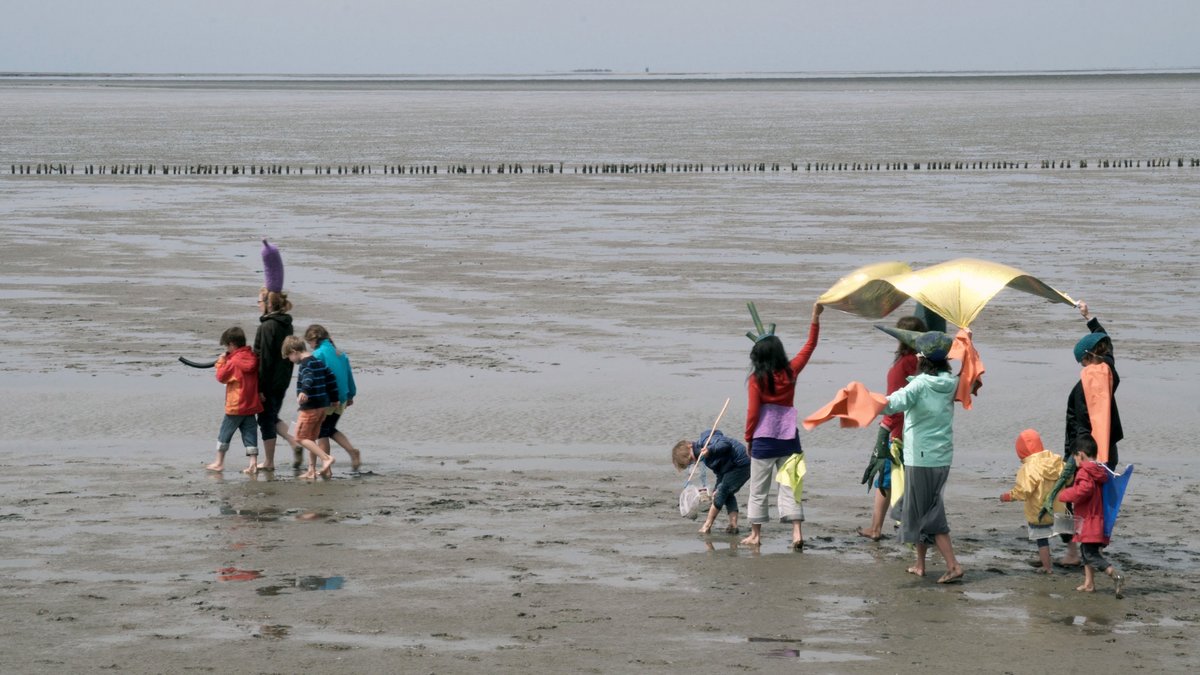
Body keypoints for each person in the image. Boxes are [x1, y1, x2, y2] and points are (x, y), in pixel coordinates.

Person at [880, 329, 965, 583]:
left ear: (922, 359)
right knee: (915, 508)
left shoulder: (919, 384)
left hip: (921, 458)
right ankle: (919, 564)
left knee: (929, 513)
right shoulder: (952, 384)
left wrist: (865, 400)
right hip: (941, 456)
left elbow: (892, 404)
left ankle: (953, 566)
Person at [740, 301, 822, 550]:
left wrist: (748, 438)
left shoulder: (757, 379)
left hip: (764, 441)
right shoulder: (791, 372)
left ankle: (755, 535)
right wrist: (815, 318)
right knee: (791, 486)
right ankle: (796, 532)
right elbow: (810, 346)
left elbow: (753, 413)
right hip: (789, 439)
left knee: (758, 489)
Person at [858, 315, 926, 541]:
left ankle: (877, 528)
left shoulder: (905, 363)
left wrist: (885, 428)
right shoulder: (924, 362)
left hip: (898, 431)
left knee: (885, 479)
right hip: (917, 430)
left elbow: (896, 402)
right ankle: (914, 526)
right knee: (913, 481)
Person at [1057, 435, 1125, 597]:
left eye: (1075, 458)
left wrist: (1065, 494)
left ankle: (1114, 573)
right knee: (1087, 553)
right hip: (1096, 520)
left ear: (1080, 455)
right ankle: (1089, 584)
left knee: (1090, 555)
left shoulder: (1084, 472)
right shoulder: (1099, 470)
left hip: (1088, 521)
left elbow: (1084, 490)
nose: (1075, 462)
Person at [1066, 300, 1124, 469]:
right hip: (1109, 443)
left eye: (1081, 362)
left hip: (1088, 452)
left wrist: (1070, 457)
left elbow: (1079, 425)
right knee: (1107, 476)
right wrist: (1088, 317)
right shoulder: (1109, 370)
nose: (1082, 366)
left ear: (1088, 357)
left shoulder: (1082, 388)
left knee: (1089, 491)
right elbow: (1106, 340)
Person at [999, 429, 1065, 574]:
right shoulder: (1055, 460)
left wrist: (1009, 496)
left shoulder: (1028, 468)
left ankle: (1047, 566)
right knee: (1065, 531)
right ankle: (1074, 554)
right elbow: (1068, 477)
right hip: (1059, 508)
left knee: (1042, 539)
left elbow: (1024, 490)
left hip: (1039, 511)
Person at [206, 327, 264, 474]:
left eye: (227, 346)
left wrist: (220, 362)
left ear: (232, 344)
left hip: (235, 405)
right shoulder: (252, 357)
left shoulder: (233, 362)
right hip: (251, 404)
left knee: (225, 433)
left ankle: (219, 462)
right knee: (250, 432)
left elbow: (221, 377)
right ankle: (253, 463)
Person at [671, 429, 751, 535]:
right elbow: (720, 472)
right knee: (724, 492)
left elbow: (725, 444)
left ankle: (707, 525)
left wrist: (710, 449)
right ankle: (733, 524)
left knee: (722, 491)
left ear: (690, 445)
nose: (694, 462)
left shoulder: (707, 441)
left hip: (741, 463)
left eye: (691, 459)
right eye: (691, 463)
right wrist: (717, 486)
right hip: (729, 469)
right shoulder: (705, 459)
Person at [305, 325, 362, 472]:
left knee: (322, 432)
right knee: (330, 429)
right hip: (342, 398)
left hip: (329, 398)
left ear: (314, 339)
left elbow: (315, 380)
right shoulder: (340, 353)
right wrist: (350, 395)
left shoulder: (318, 355)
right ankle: (352, 451)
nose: (309, 346)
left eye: (309, 343)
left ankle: (327, 466)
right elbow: (349, 375)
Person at [254, 286, 297, 470]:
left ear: (268, 304)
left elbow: (265, 359)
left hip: (269, 382)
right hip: (283, 379)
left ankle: (270, 461)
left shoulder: (267, 326)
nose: (257, 304)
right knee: (272, 417)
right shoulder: (287, 323)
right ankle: (296, 440)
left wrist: (260, 388)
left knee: (265, 420)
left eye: (259, 301)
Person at [282, 336, 337, 479]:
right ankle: (311, 470)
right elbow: (331, 377)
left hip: (310, 407)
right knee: (311, 438)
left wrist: (304, 391)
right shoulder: (317, 361)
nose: (289, 360)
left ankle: (326, 458)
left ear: (294, 351)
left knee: (299, 437)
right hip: (322, 406)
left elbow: (308, 377)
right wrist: (335, 398)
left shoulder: (305, 364)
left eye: (289, 356)